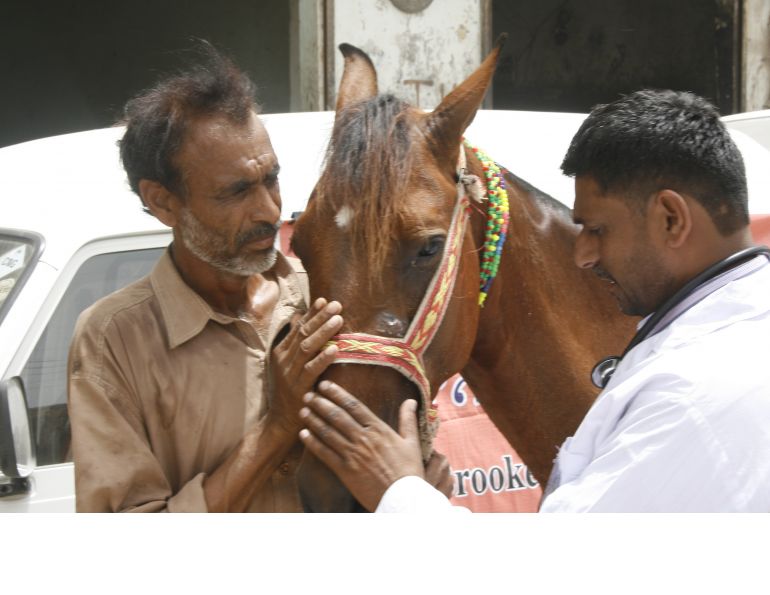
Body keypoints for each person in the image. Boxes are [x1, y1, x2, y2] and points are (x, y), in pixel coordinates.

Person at [298, 89, 770, 512]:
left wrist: (399, 491)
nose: (582, 255)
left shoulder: (693, 392)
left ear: (671, 219)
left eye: (597, 231)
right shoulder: (725, 334)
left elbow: (562, 571)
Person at [65, 45, 350, 512]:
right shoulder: (113, 341)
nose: (270, 211)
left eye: (271, 179)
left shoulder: (321, 295)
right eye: (237, 191)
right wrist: (277, 427)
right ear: (162, 202)